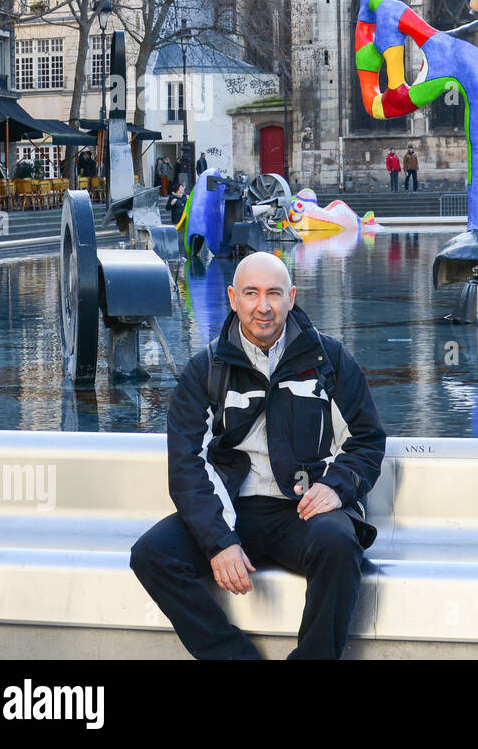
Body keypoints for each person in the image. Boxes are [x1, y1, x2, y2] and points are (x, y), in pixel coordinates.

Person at [130, 252, 386, 659]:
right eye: (251, 293)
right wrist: (219, 541)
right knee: (151, 554)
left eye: (274, 294)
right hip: (233, 510)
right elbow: (186, 465)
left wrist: (336, 489)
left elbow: (367, 440)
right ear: (233, 298)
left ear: (291, 297)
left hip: (302, 510)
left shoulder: (330, 361)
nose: (262, 306)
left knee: (339, 544)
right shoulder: (205, 370)